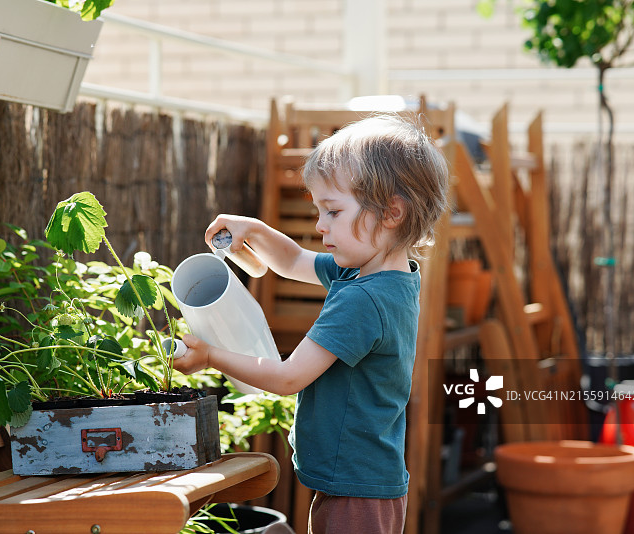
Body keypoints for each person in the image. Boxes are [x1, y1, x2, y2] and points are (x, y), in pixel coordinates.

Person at [172, 113, 449, 534]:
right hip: (364, 479)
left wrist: (212, 355)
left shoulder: (362, 299)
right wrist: (256, 230)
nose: (320, 225)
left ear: (392, 212)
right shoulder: (377, 274)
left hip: (356, 490)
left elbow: (287, 378)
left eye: (333, 211)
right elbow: (292, 262)